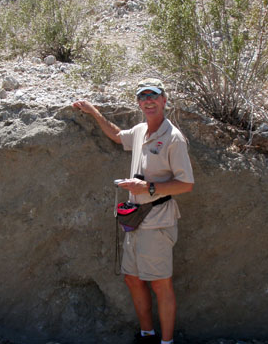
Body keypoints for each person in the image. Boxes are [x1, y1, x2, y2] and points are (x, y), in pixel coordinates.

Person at [73, 78, 194, 344]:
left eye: (154, 95)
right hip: (135, 220)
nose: (148, 101)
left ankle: (167, 342)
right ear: (139, 103)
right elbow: (117, 136)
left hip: (157, 221)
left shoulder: (173, 138)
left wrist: (147, 187)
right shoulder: (141, 130)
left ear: (164, 100)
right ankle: (147, 335)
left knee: (160, 284)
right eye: (143, 97)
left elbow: (186, 184)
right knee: (132, 278)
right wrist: (94, 112)